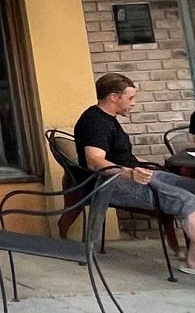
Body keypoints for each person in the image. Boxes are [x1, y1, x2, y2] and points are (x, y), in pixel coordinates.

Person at [74, 73, 195, 270]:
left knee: (191, 186)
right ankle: (193, 262)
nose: (133, 103)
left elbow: (120, 155)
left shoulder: (109, 118)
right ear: (114, 97)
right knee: (185, 199)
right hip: (110, 183)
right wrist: (129, 173)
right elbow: (94, 161)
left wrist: (145, 164)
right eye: (130, 98)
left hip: (134, 174)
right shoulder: (94, 122)